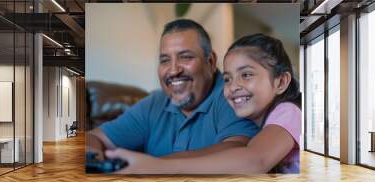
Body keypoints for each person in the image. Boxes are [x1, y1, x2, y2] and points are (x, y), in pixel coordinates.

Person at [105, 33, 302, 174]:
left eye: (246, 74)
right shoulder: (259, 122)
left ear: (281, 82)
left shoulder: (288, 112)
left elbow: (255, 160)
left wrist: (155, 166)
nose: (233, 87)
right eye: (227, 79)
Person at [87, 19, 258, 160]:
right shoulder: (154, 103)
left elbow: (237, 151)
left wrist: (151, 167)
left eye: (185, 57)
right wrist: (94, 162)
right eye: (165, 60)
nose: (174, 70)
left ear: (211, 62)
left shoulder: (232, 94)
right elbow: (92, 138)